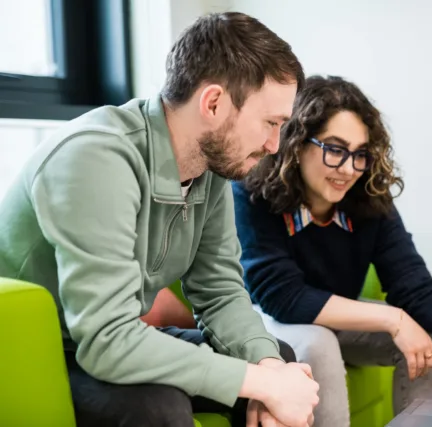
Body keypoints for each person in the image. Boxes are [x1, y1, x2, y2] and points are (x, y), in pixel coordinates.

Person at [0, 12, 319, 427]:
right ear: (214, 103)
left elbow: (219, 292)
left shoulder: (210, 169)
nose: (274, 145)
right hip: (41, 348)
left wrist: (267, 370)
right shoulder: (94, 157)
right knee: (158, 407)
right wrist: (258, 382)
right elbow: (107, 339)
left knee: (278, 357)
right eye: (270, 123)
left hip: (107, 337)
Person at [232, 75, 432, 427]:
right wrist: (393, 319)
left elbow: (416, 287)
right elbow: (282, 297)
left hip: (334, 314)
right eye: (335, 150)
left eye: (360, 155)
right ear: (297, 143)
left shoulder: (368, 199)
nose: (349, 169)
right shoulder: (251, 192)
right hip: (266, 320)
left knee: (423, 334)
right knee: (318, 340)